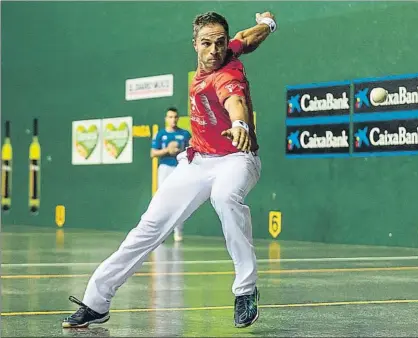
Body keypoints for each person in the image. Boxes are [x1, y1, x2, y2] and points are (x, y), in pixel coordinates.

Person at [62, 10, 277, 329]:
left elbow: (235, 101)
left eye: (219, 43)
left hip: (237, 158)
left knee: (225, 197)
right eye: (207, 43)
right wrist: (268, 25)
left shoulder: (226, 76)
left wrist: (240, 123)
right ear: (194, 44)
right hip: (197, 161)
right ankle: (96, 302)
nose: (215, 51)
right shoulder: (231, 47)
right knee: (149, 227)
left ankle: (245, 291)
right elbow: (247, 38)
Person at [150, 107, 191, 242]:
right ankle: (160, 232)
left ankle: (178, 231)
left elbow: (192, 151)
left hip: (180, 169)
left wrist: (180, 152)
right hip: (165, 168)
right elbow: (153, 153)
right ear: (166, 119)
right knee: (162, 200)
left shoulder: (185, 134)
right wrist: (167, 150)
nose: (173, 119)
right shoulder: (160, 134)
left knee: (179, 200)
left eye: (175, 117)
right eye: (170, 117)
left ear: (178, 118)